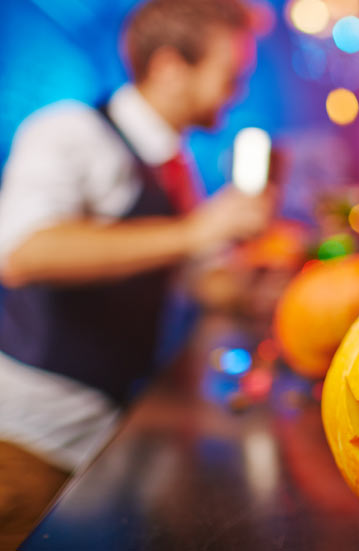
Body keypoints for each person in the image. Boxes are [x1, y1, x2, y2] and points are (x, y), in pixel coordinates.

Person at [0, 0, 271, 544]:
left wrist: (257, 277)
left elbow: (194, 277)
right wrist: (199, 231)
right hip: (28, 441)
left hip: (106, 436)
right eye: (230, 75)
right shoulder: (68, 131)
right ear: (171, 67)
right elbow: (23, 253)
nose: (237, 91)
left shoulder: (174, 164)